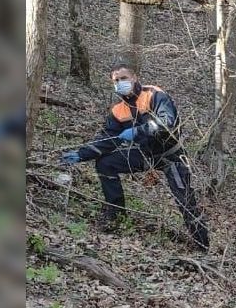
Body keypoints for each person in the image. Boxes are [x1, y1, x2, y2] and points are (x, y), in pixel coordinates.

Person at [60, 64, 210, 251]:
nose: (120, 83)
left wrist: (138, 131)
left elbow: (167, 123)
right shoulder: (118, 111)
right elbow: (108, 139)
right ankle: (116, 216)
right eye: (116, 80)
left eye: (123, 78)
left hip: (171, 155)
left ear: (134, 77)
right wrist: (81, 154)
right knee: (106, 164)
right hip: (145, 154)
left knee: (184, 199)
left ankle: (202, 244)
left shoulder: (154, 95)